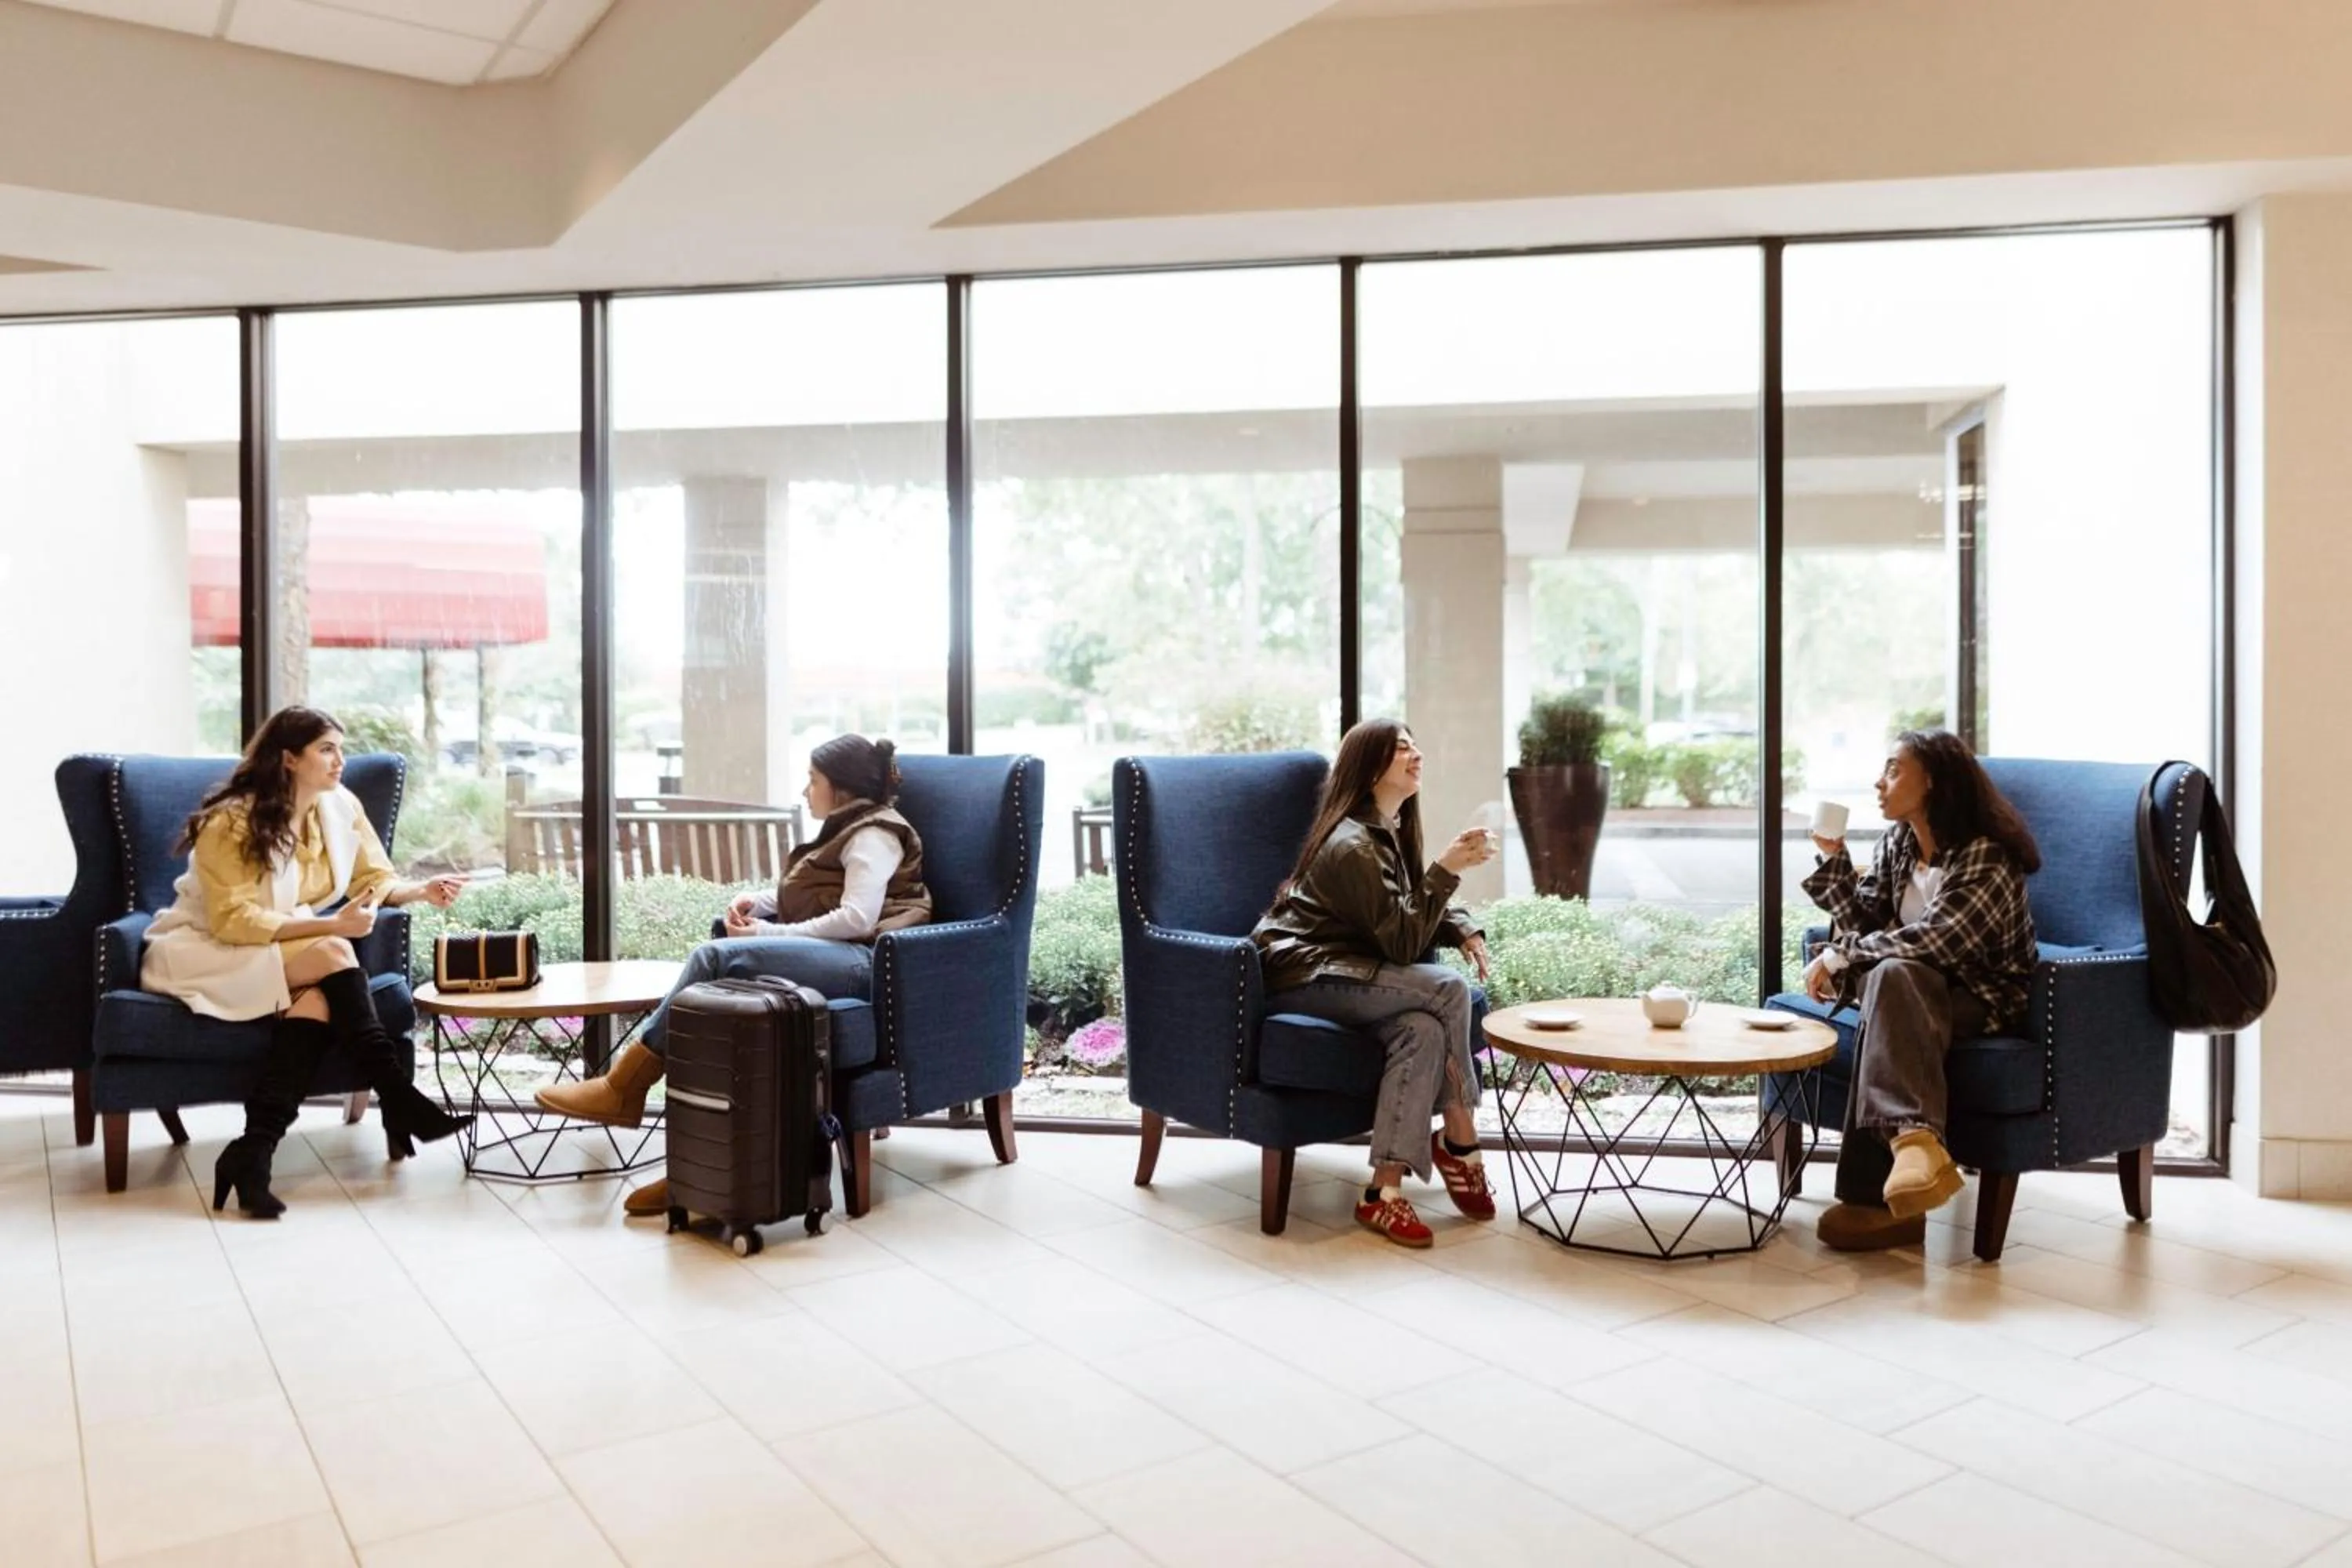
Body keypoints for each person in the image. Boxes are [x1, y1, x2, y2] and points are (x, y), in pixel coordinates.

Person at [535, 734, 931, 1217]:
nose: (806, 791)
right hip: (840, 953)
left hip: (864, 964)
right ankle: (701, 1168)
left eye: (813, 781)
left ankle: (624, 1087)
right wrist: (759, 902)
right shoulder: (847, 829)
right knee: (723, 992)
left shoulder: (874, 834)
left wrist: (767, 932)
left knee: (715, 957)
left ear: (842, 787)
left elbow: (857, 920)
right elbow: (819, 895)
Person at [143, 706, 473, 1219]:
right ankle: (399, 1096)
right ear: (289, 759)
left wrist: (419, 892)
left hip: (281, 944)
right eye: (326, 749)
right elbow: (233, 921)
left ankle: (253, 1152)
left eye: (340, 748)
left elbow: (373, 878)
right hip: (207, 947)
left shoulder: (339, 806)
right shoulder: (230, 821)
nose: (340, 759)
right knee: (336, 951)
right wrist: (331, 926)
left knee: (319, 1000)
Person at [1251, 718, 1498, 1247]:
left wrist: (1462, 927)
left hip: (1349, 969)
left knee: (1422, 1031)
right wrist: (1448, 867)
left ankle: (1381, 1195)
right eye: (1400, 748)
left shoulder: (1388, 826)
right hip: (1303, 972)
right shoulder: (1353, 844)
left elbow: (1403, 904)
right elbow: (1403, 943)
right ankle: (1460, 1140)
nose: (1416, 754)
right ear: (1369, 771)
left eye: (1415, 743)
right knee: (1449, 989)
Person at [1800, 728, 2041, 1251]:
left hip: (1980, 996)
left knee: (1892, 977)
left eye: (1893, 769)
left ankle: (1879, 1191)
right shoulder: (1900, 843)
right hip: (1911, 990)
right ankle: (1912, 1155)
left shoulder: (1986, 855)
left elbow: (1939, 941)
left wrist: (1840, 954)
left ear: (1932, 780)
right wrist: (1834, 859)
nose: (1878, 782)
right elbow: (1864, 919)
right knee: (1893, 979)